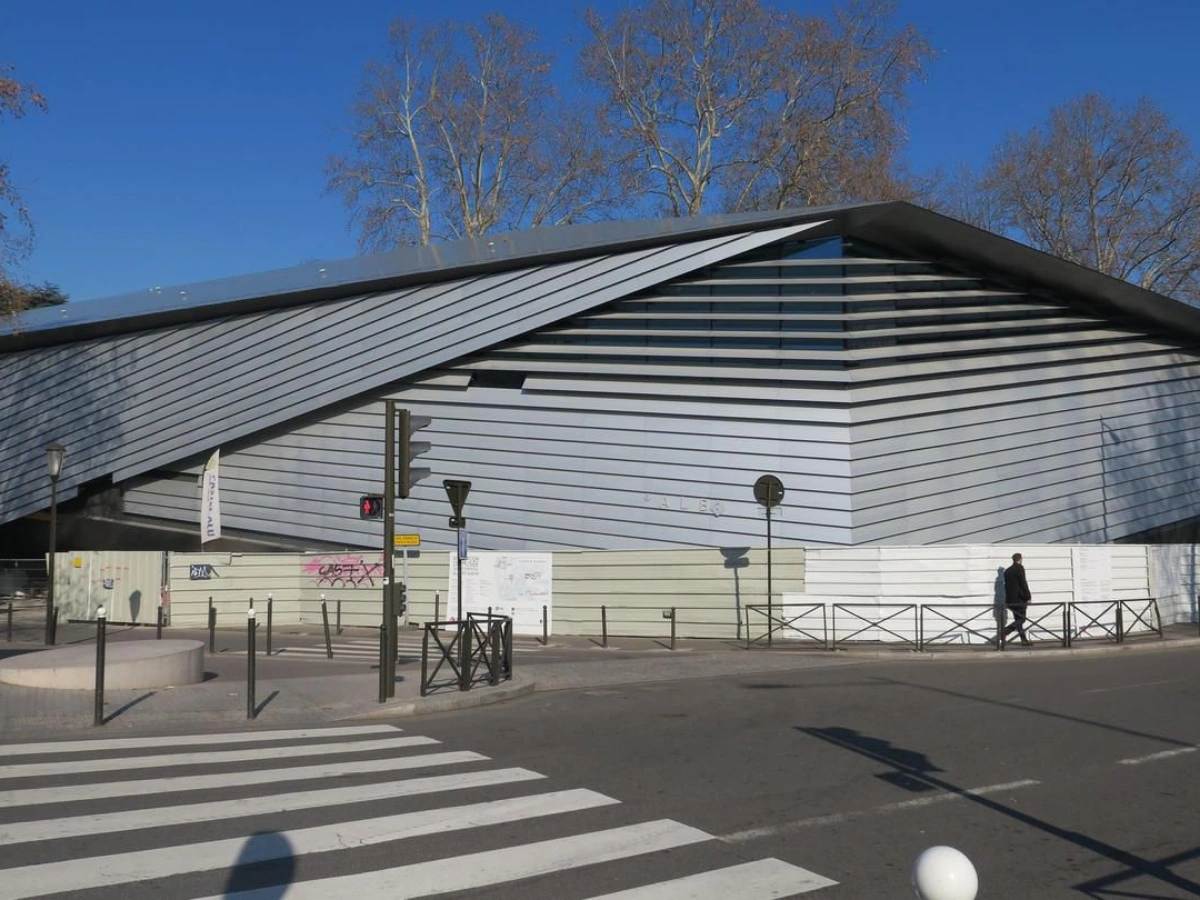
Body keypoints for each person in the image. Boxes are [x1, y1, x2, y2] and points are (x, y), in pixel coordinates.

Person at [1003, 552, 1032, 647]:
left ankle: (1024, 640)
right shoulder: (1019, 568)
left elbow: (1007, 587)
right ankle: (1005, 631)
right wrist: (1028, 597)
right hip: (1019, 599)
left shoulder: (1007, 571)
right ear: (1020, 559)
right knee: (1022, 619)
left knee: (1018, 620)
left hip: (1010, 600)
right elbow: (1023, 583)